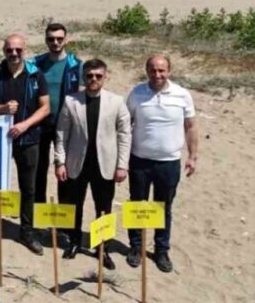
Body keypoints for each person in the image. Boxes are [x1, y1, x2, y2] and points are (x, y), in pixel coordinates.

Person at [124, 55, 198, 273]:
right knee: (137, 205)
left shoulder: (182, 95)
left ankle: (161, 250)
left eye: (161, 70)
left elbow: (191, 126)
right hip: (139, 160)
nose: (157, 75)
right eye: (153, 70)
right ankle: (135, 247)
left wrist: (193, 156)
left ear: (169, 71)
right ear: (147, 71)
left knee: (163, 207)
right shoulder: (137, 93)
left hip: (169, 162)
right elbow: (125, 124)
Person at [54, 58, 131, 267]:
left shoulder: (116, 102)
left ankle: (102, 248)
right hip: (76, 163)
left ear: (105, 77)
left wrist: (122, 165)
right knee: (74, 205)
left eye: (98, 76)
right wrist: (60, 162)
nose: (93, 79)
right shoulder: (71, 101)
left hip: (105, 164)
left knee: (104, 207)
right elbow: (61, 134)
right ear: (83, 77)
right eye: (89, 75)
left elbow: (125, 135)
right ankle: (74, 242)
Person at [0, 34, 51, 255]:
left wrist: (25, 124)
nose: (14, 53)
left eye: (18, 49)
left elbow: (45, 107)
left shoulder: (35, 74)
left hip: (28, 138)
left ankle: (27, 232)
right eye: (10, 49)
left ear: (24, 50)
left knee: (28, 188)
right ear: (4, 50)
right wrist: (2, 109)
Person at [33, 22, 82, 212]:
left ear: (66, 40)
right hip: (40, 122)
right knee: (38, 169)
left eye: (59, 39)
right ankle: (38, 213)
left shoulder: (76, 65)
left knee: (65, 169)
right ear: (46, 40)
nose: (55, 42)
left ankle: (63, 217)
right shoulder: (35, 64)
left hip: (66, 125)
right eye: (51, 39)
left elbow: (82, 94)